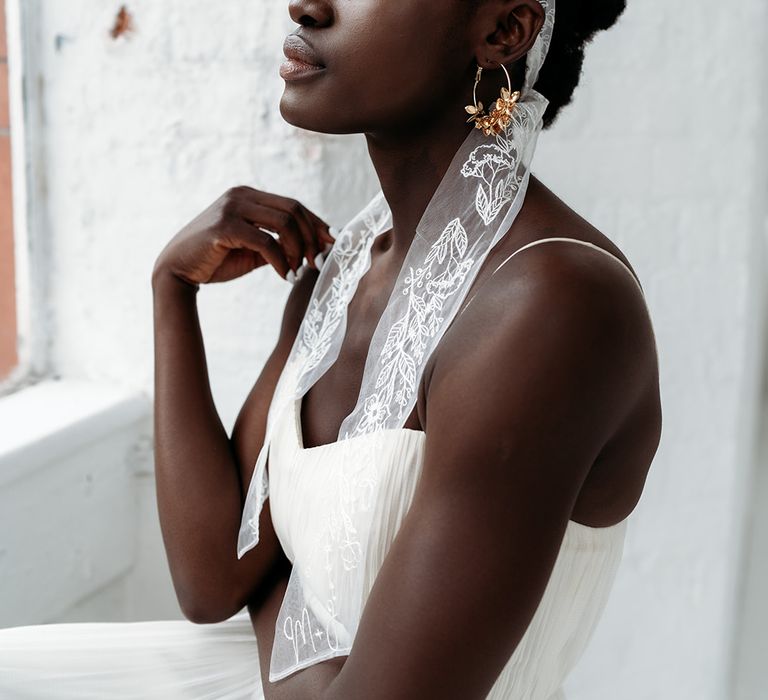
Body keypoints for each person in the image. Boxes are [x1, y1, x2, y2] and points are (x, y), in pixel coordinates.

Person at [0, 0, 661, 698]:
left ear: (501, 31)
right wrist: (172, 292)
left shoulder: (554, 307)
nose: (305, 5)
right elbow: (212, 578)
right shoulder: (346, 268)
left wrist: (281, 579)